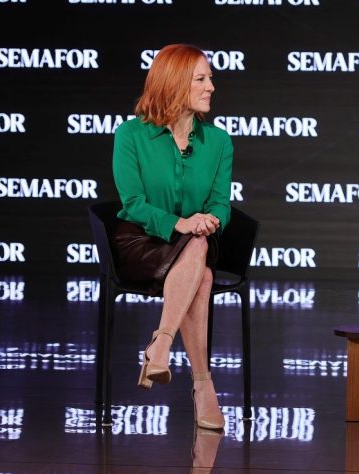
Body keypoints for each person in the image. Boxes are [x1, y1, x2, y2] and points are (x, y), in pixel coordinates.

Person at [112, 43, 233, 431]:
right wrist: (179, 223)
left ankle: (160, 345)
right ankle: (203, 386)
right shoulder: (131, 134)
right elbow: (132, 203)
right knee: (204, 275)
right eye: (201, 79)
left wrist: (209, 221)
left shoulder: (218, 141)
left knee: (198, 249)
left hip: (194, 241)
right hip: (141, 241)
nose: (211, 86)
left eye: (209, 77)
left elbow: (221, 203)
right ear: (175, 84)